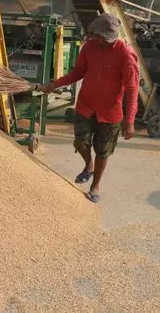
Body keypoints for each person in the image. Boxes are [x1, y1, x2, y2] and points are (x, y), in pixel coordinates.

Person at [36, 14, 139, 203]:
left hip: (110, 113)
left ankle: (95, 185)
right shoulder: (89, 47)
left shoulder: (125, 54)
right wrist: (55, 84)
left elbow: (132, 88)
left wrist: (130, 120)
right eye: (93, 36)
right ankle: (88, 165)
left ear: (110, 37)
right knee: (80, 143)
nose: (94, 39)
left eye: (99, 37)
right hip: (85, 106)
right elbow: (78, 72)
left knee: (103, 151)